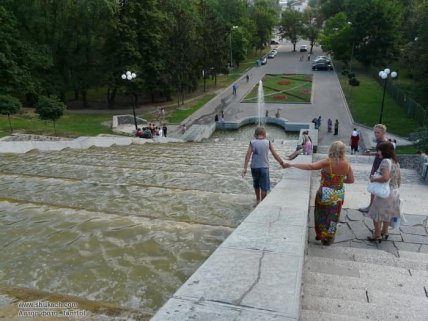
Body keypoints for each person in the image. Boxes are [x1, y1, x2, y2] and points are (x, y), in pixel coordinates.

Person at [283, 141, 355, 245]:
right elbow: (351, 180)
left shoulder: (328, 162)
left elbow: (310, 166)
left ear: (331, 150)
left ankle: (321, 235)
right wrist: (338, 181)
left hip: (326, 192)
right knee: (334, 216)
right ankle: (329, 237)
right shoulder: (347, 164)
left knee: (321, 214)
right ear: (343, 151)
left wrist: (292, 164)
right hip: (339, 193)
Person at [366, 141, 401, 243]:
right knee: (387, 213)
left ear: (384, 151)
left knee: (376, 214)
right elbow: (399, 179)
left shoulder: (385, 161)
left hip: (386, 193)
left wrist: (374, 179)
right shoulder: (395, 161)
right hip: (395, 191)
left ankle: (377, 235)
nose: (378, 152)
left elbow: (385, 178)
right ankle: (385, 232)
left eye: (379, 150)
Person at [242, 127, 285, 206]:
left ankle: (258, 200)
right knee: (264, 186)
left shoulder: (252, 142)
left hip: (254, 167)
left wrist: (245, 168)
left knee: (256, 184)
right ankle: (262, 203)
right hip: (264, 167)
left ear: (255, 134)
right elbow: (274, 154)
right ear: (264, 134)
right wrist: (281, 162)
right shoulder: (267, 142)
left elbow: (247, 155)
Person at [359, 124, 389, 212]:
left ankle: (372, 207)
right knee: (374, 186)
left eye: (378, 132)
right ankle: (372, 206)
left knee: (376, 186)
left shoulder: (384, 143)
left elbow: (386, 156)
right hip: (377, 165)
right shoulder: (380, 141)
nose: (376, 134)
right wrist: (371, 153)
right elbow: (379, 153)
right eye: (375, 132)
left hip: (380, 167)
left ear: (383, 132)